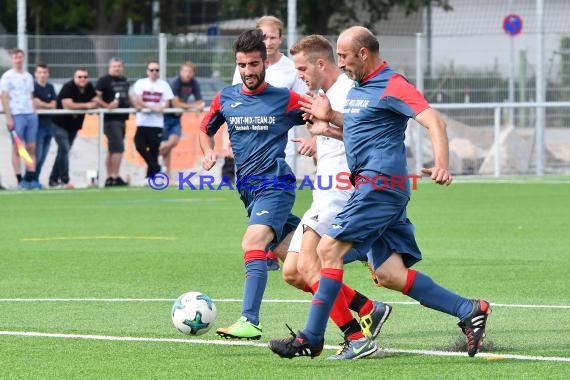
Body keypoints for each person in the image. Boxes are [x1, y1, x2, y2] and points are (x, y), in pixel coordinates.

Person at [269, 26, 490, 359]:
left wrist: (441, 163)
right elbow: (361, 126)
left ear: (362, 54)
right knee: (389, 274)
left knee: (327, 251)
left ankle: (314, 338)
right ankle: (469, 309)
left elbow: (434, 121)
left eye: (343, 57)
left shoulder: (392, 84)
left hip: (380, 186)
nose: (340, 63)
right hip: (377, 189)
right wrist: (328, 120)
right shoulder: (360, 89)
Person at [280, 34, 392, 360]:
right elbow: (338, 136)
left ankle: (356, 338)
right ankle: (369, 307)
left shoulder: (346, 92)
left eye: (302, 67)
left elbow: (362, 137)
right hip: (323, 191)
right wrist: (319, 137)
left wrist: (327, 126)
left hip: (340, 191)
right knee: (292, 272)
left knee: (310, 265)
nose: (299, 74)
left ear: (320, 63)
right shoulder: (323, 94)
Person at [199, 29, 303, 340]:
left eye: (254, 64)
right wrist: (208, 152)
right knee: (299, 263)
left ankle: (250, 320)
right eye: (242, 65)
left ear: (265, 63)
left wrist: (321, 138)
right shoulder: (226, 97)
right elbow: (205, 129)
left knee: (253, 243)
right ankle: (365, 306)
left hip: (275, 184)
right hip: (249, 192)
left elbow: (322, 116)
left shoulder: (284, 98)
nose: (248, 72)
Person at [229, 16, 309, 271]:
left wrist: (315, 137)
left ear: (280, 39)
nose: (268, 41)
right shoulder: (244, 66)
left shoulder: (290, 68)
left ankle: (250, 311)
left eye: (272, 37)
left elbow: (306, 104)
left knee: (259, 232)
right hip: (248, 157)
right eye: (263, 36)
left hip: (279, 153)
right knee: (297, 256)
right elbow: (231, 107)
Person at [49, 67, 99, 188]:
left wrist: (82, 106)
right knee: (64, 149)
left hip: (74, 126)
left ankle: (53, 179)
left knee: (63, 152)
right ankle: (65, 180)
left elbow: (96, 101)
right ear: (74, 77)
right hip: (59, 124)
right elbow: (67, 105)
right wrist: (86, 105)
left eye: (85, 77)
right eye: (79, 77)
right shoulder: (68, 86)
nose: (82, 79)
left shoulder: (89, 87)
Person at [0, 48, 39, 189]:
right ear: (12, 59)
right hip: (16, 115)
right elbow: (4, 97)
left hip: (30, 114)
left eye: (21, 57)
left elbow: (31, 96)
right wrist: (8, 117)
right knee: (17, 147)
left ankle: (31, 177)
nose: (18, 59)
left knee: (31, 147)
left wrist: (34, 111)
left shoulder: (28, 76)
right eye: (16, 57)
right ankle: (19, 179)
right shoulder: (7, 77)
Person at [161, 61, 205, 179]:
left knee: (172, 143)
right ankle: (166, 173)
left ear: (193, 73)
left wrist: (192, 105)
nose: (187, 74)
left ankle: (155, 159)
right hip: (166, 115)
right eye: (185, 71)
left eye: (190, 72)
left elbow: (199, 101)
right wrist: (192, 106)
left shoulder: (194, 83)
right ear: (181, 72)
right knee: (167, 145)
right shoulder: (175, 82)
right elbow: (175, 104)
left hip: (177, 117)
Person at [133, 60, 173, 179]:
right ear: (147, 71)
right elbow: (139, 100)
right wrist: (152, 107)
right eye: (152, 70)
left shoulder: (164, 85)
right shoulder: (141, 83)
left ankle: (151, 177)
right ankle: (157, 167)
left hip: (156, 123)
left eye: (157, 70)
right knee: (139, 145)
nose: (154, 72)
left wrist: (160, 108)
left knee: (154, 150)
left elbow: (167, 103)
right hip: (142, 122)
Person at [96, 57, 131, 187]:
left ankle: (110, 177)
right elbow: (96, 98)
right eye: (115, 66)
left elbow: (127, 97)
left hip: (122, 118)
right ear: (110, 67)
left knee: (113, 149)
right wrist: (107, 106)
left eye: (119, 66)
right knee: (118, 149)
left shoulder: (124, 80)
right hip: (111, 120)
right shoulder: (103, 81)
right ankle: (114, 176)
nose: (117, 68)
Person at [33, 63, 57, 187]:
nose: (42, 75)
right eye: (40, 72)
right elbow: (35, 103)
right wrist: (46, 105)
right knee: (37, 155)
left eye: (45, 72)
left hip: (49, 126)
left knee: (44, 156)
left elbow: (54, 104)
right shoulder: (33, 87)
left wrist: (43, 105)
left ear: (48, 74)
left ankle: (36, 179)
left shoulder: (50, 87)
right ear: (36, 74)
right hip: (37, 127)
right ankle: (31, 179)